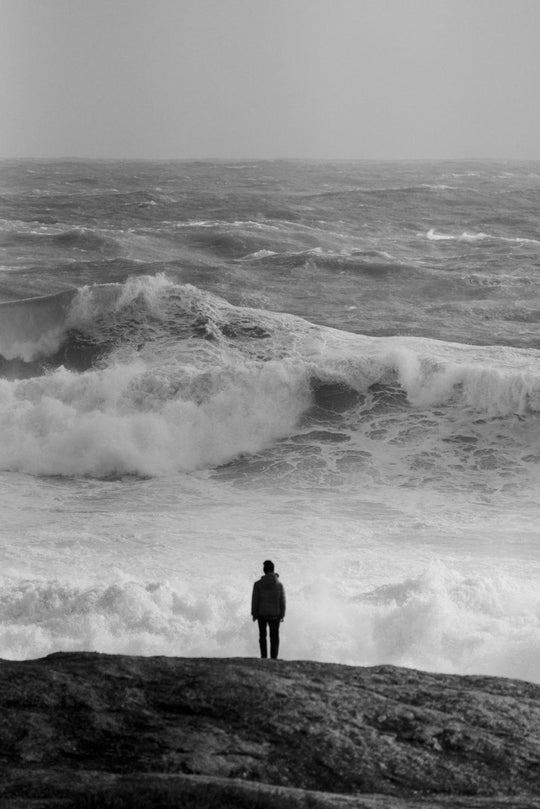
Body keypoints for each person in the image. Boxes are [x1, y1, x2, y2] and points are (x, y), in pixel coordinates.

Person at [251, 559, 286, 659]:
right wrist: (282, 615)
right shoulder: (279, 585)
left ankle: (264, 656)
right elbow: (282, 601)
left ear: (264, 570)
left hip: (262, 614)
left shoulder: (258, 584)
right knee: (274, 637)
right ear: (273, 570)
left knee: (262, 637)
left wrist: (254, 613)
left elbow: (255, 600)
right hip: (275, 615)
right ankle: (274, 658)